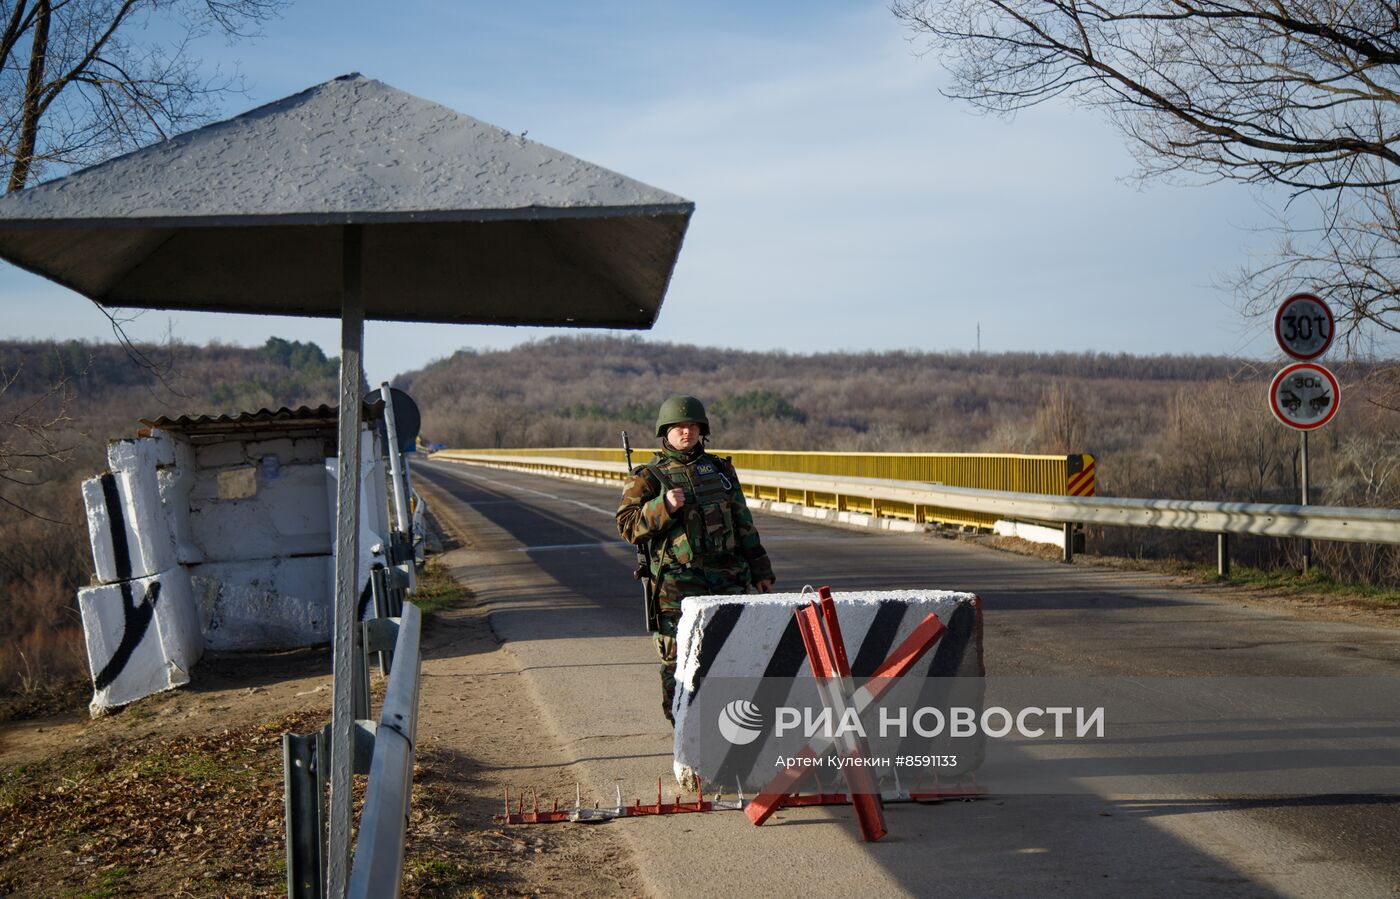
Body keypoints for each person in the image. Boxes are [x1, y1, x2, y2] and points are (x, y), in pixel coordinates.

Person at [616, 395, 776, 725]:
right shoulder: (648, 477)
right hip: (676, 587)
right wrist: (663, 506)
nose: (686, 432)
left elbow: (743, 522)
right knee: (678, 662)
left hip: (728, 579)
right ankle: (683, 733)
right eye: (678, 427)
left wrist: (761, 569)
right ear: (665, 432)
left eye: (691, 426)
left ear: (701, 430)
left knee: (732, 656)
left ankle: (730, 730)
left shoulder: (720, 471)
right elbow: (627, 526)